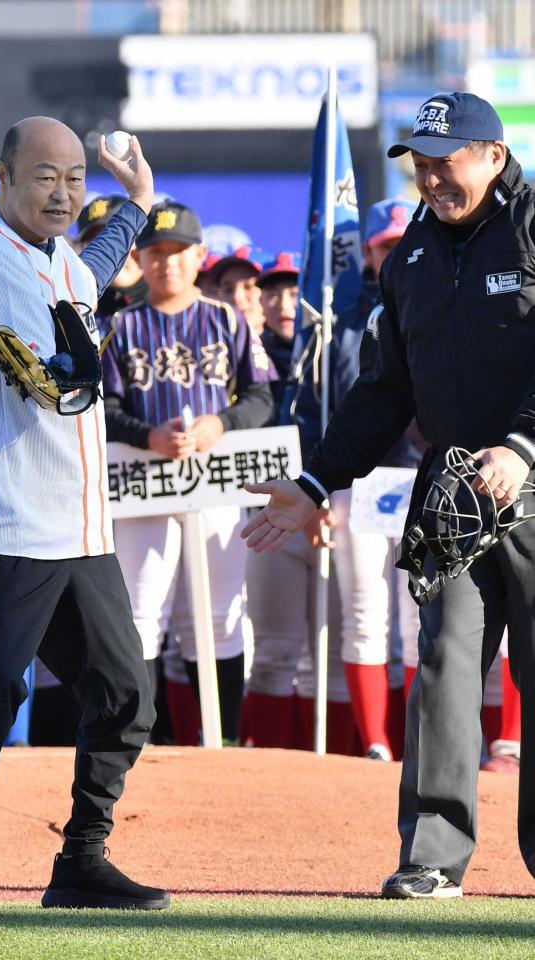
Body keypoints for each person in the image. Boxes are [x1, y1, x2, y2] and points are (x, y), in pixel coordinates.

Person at [241, 92, 535, 899]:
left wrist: (522, 445)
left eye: (448, 160)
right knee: (443, 663)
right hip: (452, 490)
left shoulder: (533, 225)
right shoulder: (408, 257)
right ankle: (433, 857)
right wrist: (313, 481)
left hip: (533, 472)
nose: (432, 177)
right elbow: (382, 392)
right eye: (422, 163)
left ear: (493, 157)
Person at [0, 116, 168, 917]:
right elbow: (53, 382)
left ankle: (81, 859)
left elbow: (87, 273)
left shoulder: (53, 253)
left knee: (125, 693)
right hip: (10, 520)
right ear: (3, 177)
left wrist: (133, 203)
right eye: (44, 175)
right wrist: (93, 346)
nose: (63, 191)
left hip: (79, 528)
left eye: (74, 177)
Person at [101, 200, 275, 743]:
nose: (168, 263)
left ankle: (219, 739)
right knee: (140, 614)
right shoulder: (121, 326)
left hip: (215, 479)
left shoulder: (226, 319)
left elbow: (263, 396)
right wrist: (144, 434)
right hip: (141, 482)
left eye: (179, 252)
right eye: (156, 252)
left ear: (200, 256)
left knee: (221, 614)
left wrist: (221, 423)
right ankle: (141, 741)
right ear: (139, 257)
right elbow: (99, 407)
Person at [290, 198, 423, 761]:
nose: (391, 253)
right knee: (366, 615)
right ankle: (374, 743)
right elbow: (316, 410)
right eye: (382, 246)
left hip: (426, 480)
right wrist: (314, 492)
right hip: (358, 486)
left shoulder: (436, 303)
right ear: (367, 252)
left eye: (400, 243)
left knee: (422, 620)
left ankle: (421, 742)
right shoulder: (337, 321)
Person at [240, 253, 357, 753]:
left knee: (330, 658)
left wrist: (320, 496)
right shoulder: (248, 356)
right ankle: (265, 767)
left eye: (295, 292)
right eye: (274, 292)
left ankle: (334, 770)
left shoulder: (339, 353)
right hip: (267, 513)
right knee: (272, 653)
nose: (286, 303)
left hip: (334, 512)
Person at [74, 194, 147, 318]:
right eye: (94, 241)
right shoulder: (76, 306)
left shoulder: (174, 303)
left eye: (117, 240)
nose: (107, 250)